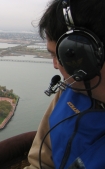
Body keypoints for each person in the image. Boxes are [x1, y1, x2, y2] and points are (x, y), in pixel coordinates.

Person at [24, 0, 105, 168]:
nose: (55, 65)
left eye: (63, 55)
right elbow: (41, 161)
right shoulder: (68, 93)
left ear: (92, 54)